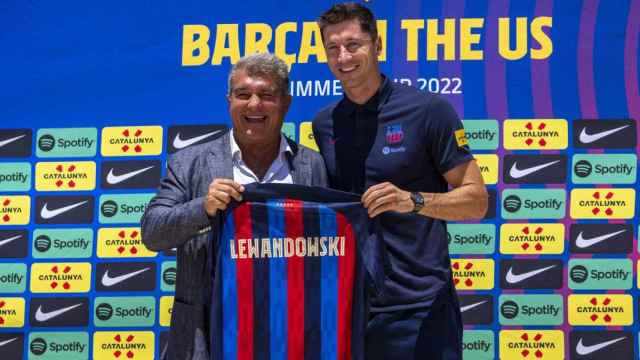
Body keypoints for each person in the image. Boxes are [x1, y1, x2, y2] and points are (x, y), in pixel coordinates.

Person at [313, 3, 488, 359]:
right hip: (351, 305)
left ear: (377, 46)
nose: (343, 56)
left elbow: (476, 200)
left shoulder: (428, 110)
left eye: (353, 44)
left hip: (420, 304)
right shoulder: (325, 123)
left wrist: (414, 201)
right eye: (333, 48)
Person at [141, 52, 328, 360]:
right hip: (210, 335)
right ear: (229, 100)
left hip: (292, 334)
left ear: (286, 103)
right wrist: (202, 207)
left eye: (267, 95)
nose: (254, 104)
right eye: (243, 94)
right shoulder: (189, 163)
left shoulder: (311, 165)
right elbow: (152, 232)